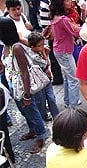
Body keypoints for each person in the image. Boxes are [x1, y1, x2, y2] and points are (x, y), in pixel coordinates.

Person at [0, 17, 46, 153]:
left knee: (32, 110)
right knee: (24, 111)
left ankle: (41, 136)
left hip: (22, 87)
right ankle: (32, 130)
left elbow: (25, 73)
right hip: (13, 87)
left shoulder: (17, 47)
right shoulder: (6, 47)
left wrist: (27, 95)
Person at [49, 0, 81, 108]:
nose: (70, 2)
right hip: (65, 51)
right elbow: (76, 33)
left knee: (68, 77)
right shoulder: (63, 20)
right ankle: (73, 107)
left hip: (59, 50)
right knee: (74, 79)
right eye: (67, 0)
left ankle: (68, 101)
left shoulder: (55, 17)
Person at [27, 32, 59, 120]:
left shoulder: (39, 51)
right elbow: (46, 63)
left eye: (43, 44)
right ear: (32, 47)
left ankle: (56, 116)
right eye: (40, 45)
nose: (42, 47)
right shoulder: (33, 56)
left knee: (51, 98)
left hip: (46, 79)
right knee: (41, 100)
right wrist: (46, 53)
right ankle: (43, 116)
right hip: (39, 82)